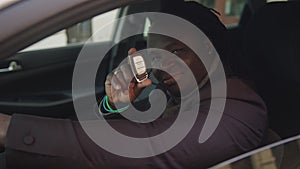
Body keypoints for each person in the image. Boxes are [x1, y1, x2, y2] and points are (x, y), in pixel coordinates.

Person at [0, 1, 268, 169]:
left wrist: (9, 129)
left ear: (209, 51)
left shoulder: (238, 111)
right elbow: (102, 135)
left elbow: (146, 149)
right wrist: (114, 104)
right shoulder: (171, 94)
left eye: (176, 52)